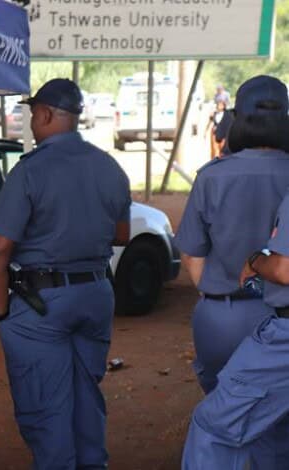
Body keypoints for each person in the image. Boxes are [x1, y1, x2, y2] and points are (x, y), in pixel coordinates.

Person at [0, 78, 131, 469]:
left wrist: (1, 311)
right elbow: (122, 235)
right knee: (86, 397)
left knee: (46, 408)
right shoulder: (109, 166)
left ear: (47, 114)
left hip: (42, 303)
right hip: (95, 293)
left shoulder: (31, 170)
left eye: (33, 114)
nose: (32, 122)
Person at [174, 75, 289, 395]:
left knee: (223, 408)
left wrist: (215, 295)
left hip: (223, 316)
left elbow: (192, 254)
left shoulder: (212, 177)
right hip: (283, 318)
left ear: (236, 118)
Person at [181, 189, 289, 469]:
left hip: (278, 334)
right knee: (276, 430)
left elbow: (284, 270)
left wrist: (256, 260)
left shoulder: (211, 178)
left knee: (214, 427)